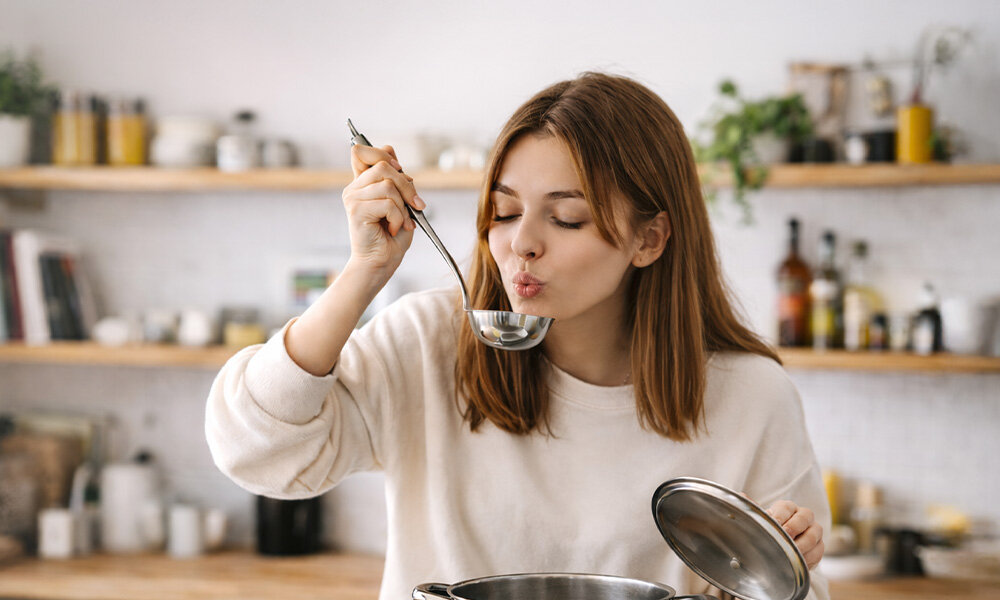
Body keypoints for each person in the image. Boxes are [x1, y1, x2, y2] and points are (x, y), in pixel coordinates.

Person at [206, 72, 829, 600]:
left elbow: (794, 590)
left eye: (566, 217)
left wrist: (774, 572)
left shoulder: (750, 398)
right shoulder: (428, 343)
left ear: (650, 239)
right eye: (503, 212)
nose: (519, 243)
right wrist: (363, 273)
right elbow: (257, 454)